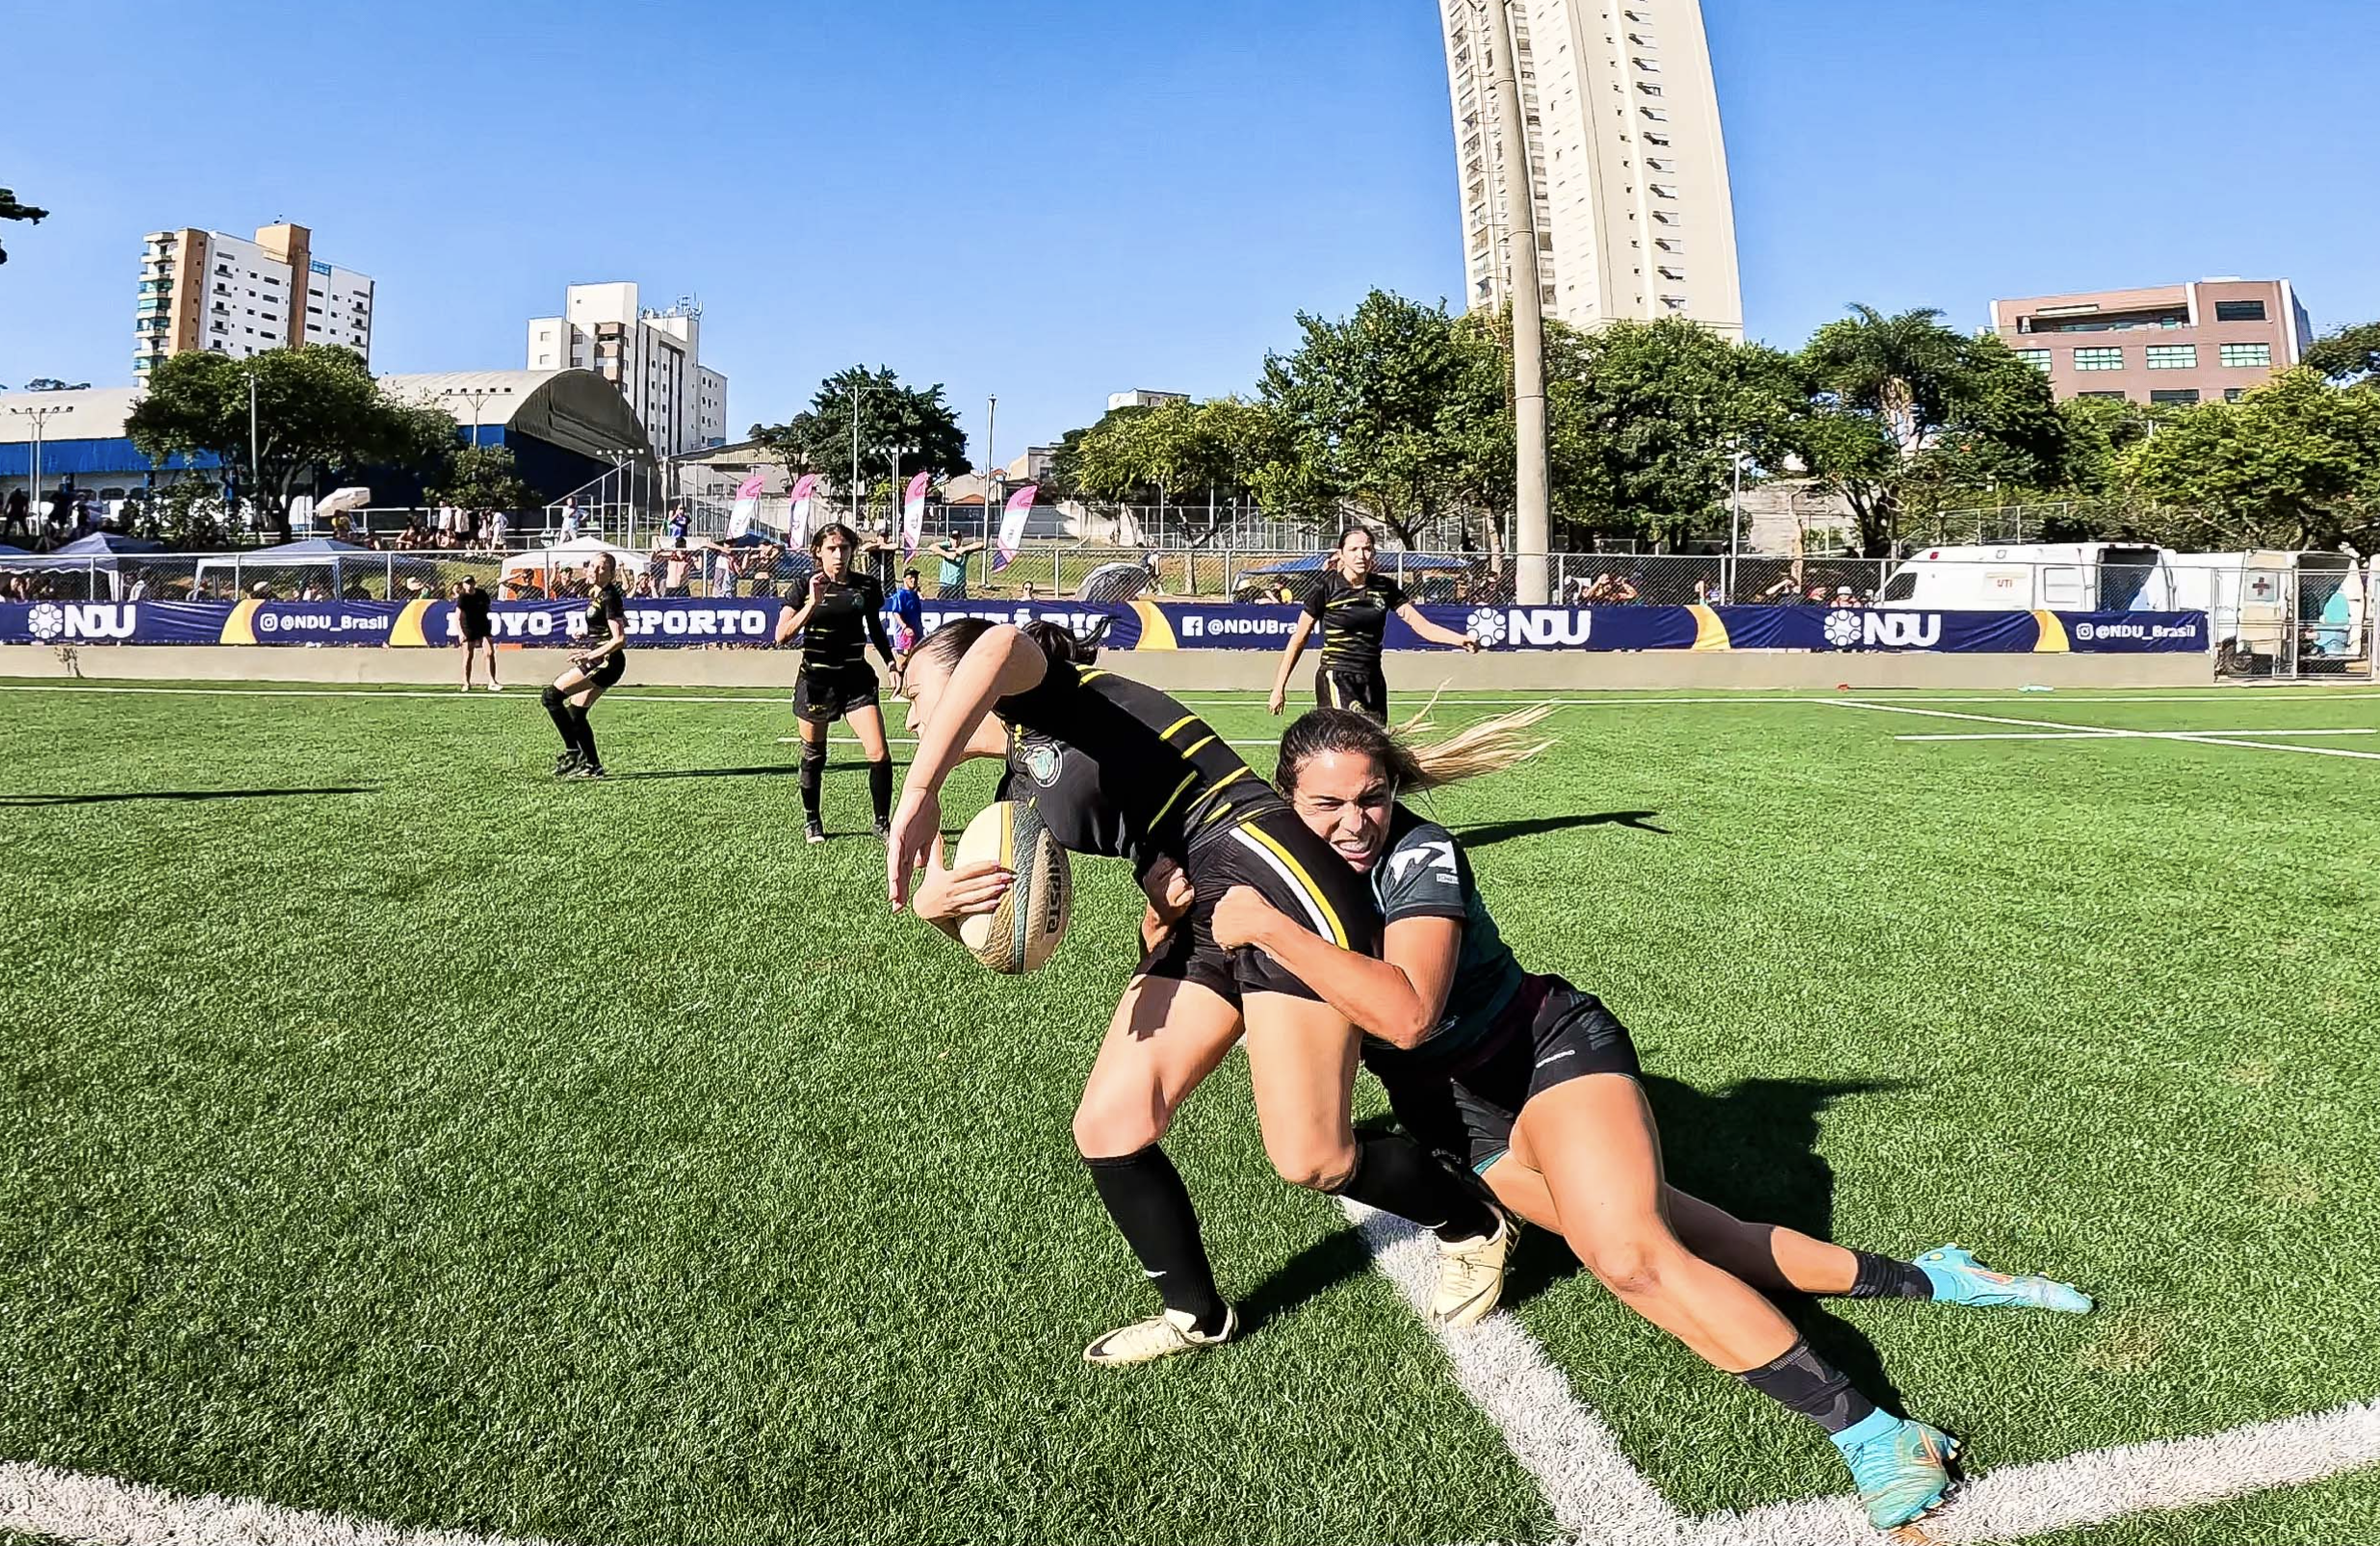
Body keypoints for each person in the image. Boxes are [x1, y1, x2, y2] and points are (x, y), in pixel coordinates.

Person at [1209, 709, 2096, 1533]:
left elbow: (1405, 1015)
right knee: (1699, 1239)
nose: (1354, 823)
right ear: (1289, 798)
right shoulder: (1278, 872)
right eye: (1327, 804)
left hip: (1544, 1053)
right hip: (1464, 1124)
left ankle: (1875, 1433)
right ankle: (1933, 1278)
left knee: (1629, 1255)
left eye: (1372, 798)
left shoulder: (1420, 854)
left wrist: (1266, 929)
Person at [887, 621, 1509, 1367]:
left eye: (918, 692)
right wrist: (935, 909)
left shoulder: (1048, 691)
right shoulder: (1012, 796)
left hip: (1257, 854)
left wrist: (920, 786)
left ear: (966, 687)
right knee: (1109, 1127)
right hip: (1201, 903)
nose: (912, 715)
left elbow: (993, 646)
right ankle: (1196, 1313)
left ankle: (1472, 1221)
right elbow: (1011, 945)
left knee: (1312, 1159)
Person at [1269, 526, 1479, 720]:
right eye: (1353, 549)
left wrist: (1460, 640)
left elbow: (1422, 626)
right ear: (1341, 553)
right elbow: (1298, 639)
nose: (1361, 556)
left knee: (1376, 746)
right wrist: (1279, 687)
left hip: (1372, 678)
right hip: (1337, 675)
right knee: (1347, 739)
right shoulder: (1325, 588)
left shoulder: (1384, 587)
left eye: (1367, 549)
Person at [773, 523, 900, 845]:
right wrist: (812, 603)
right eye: (831, 549)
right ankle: (812, 820)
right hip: (816, 682)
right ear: (818, 551)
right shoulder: (803, 585)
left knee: (879, 753)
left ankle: (882, 823)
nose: (838, 555)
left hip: (856, 680)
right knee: (814, 754)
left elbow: (876, 629)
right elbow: (781, 635)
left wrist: (890, 662)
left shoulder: (866, 587)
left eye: (844, 548)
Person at [542, 552, 628, 778]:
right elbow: (617, 624)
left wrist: (590, 656)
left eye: (602, 568)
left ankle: (574, 752)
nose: (594, 570)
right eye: (592, 566)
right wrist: (588, 635)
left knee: (551, 696)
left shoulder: (609, 596)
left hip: (606, 662)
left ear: (611, 573)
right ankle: (593, 766)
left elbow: (619, 639)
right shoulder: (600, 594)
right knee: (575, 714)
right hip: (603, 659)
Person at [454, 575, 500, 693]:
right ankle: (466, 682)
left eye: (470, 583)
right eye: (466, 583)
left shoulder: (481, 594)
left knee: (489, 652)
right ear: (463, 585)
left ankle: (492, 682)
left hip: (482, 625)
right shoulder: (462, 598)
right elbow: (457, 616)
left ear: (474, 583)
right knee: (468, 655)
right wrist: (460, 633)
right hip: (468, 626)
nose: (469, 585)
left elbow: (487, 607)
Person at [929, 533, 987, 600]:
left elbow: (981, 544)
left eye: (957, 538)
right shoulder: (947, 546)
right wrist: (946, 554)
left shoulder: (964, 550)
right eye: (953, 538)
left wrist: (964, 549)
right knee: (942, 607)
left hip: (959, 587)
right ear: (950, 539)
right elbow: (931, 547)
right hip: (946, 586)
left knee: (961, 608)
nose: (955, 541)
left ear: (960, 539)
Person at [885, 567, 925, 656]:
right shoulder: (900, 595)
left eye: (915, 577)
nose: (914, 580)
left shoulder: (915, 596)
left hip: (916, 635)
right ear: (904, 579)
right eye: (911, 577)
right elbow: (896, 613)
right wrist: (904, 627)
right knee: (903, 662)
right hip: (904, 636)